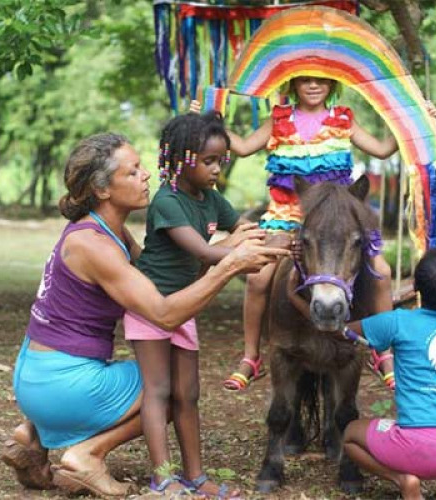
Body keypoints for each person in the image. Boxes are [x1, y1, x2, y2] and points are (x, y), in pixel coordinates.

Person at [1, 133, 286, 498]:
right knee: (169, 386)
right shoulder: (96, 245)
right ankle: (88, 454)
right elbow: (164, 313)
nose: (147, 175)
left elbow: (162, 279)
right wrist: (229, 266)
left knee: (162, 378)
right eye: (133, 172)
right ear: (103, 189)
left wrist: (225, 248)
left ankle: (33, 436)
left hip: (39, 376)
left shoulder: (105, 229)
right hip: (61, 384)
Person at [192, 77, 436, 391]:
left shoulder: (344, 119)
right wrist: (209, 117)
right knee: (257, 278)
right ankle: (251, 356)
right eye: (305, 80)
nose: (313, 85)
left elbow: (382, 149)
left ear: (332, 84)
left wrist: (415, 120)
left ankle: (382, 351)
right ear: (293, 84)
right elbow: (240, 147)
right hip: (286, 218)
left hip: (335, 221)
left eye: (320, 80)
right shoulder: (277, 120)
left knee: (382, 272)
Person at [124, 111, 264, 498]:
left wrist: (284, 243)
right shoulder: (166, 203)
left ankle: (197, 477)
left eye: (222, 160)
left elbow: (242, 232)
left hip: (184, 306)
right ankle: (162, 477)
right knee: (158, 391)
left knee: (189, 393)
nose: (217, 169)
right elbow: (207, 251)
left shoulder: (211, 199)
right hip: (151, 303)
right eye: (208, 161)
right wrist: (239, 245)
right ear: (181, 158)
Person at [336, 247, 436, 500]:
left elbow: (340, 331)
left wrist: (295, 296)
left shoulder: (398, 321)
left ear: (416, 286)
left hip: (419, 448)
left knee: (351, 434)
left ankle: (404, 480)